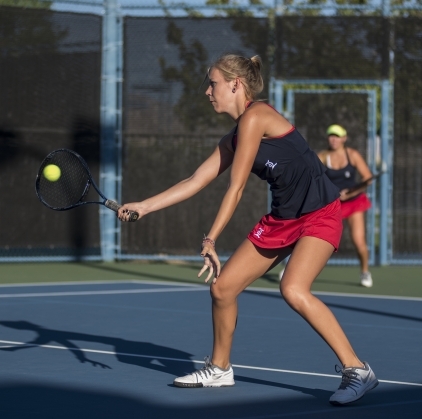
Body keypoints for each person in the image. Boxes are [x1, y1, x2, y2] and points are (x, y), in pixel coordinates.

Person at [117, 54, 378, 405]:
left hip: (319, 212)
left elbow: (236, 187)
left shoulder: (255, 117)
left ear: (235, 84)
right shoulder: (233, 137)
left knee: (293, 288)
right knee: (223, 289)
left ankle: (358, 370)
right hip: (283, 218)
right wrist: (144, 206)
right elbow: (197, 179)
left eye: (213, 83)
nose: (208, 91)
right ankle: (220, 369)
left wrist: (210, 239)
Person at [318, 125, 374, 288]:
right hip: (332, 205)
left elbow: (368, 178)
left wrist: (350, 193)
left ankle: (365, 272)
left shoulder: (353, 155)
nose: (334, 139)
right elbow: (313, 179)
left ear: (344, 138)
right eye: (331, 136)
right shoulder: (322, 157)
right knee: (317, 239)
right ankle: (294, 269)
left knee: (358, 241)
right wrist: (332, 193)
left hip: (354, 203)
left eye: (337, 136)